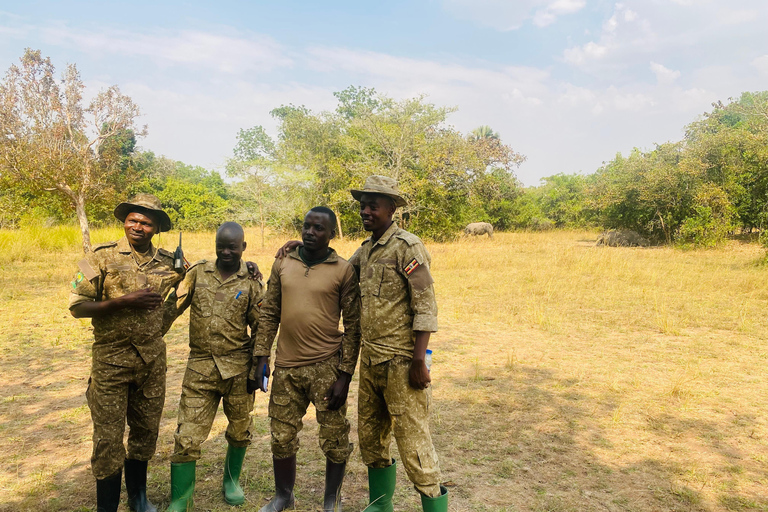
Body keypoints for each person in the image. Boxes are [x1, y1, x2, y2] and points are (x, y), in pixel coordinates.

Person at [69, 194, 182, 512]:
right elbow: (77, 307)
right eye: (133, 220)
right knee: (108, 439)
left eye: (146, 222)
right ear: (124, 221)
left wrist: (248, 268)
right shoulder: (99, 257)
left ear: (156, 228)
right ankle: (106, 507)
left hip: (151, 363)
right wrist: (123, 302)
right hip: (111, 362)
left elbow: (195, 282)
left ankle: (138, 499)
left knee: (145, 432)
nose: (138, 226)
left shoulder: (169, 263)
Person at [250, 207, 361, 512]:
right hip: (286, 366)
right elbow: (270, 312)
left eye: (319, 228)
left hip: (327, 366)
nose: (311, 232)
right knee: (281, 435)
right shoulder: (283, 262)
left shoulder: (343, 270)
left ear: (331, 234)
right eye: (307, 226)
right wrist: (262, 357)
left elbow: (353, 327)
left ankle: (331, 499)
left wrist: (345, 376)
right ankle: (283, 496)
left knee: (335, 437)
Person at [348, 175, 448, 512]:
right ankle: (381, 505)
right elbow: (338, 273)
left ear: (391, 209)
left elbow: (425, 304)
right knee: (371, 438)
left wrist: (419, 360)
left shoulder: (408, 247)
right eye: (363, 206)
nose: (366, 211)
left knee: (414, 444)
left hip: (402, 364)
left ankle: (432, 503)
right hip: (371, 362)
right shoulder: (365, 250)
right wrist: (299, 250)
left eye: (373, 206)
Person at [165, 222, 266, 511]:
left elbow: (262, 327)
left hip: (238, 371)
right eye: (221, 246)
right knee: (187, 435)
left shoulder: (251, 282)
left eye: (232, 247)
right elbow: (171, 309)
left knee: (240, 430)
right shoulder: (198, 273)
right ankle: (181, 499)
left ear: (243, 247)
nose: (226, 252)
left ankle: (231, 482)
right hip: (200, 369)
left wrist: (258, 366)